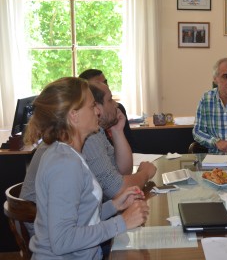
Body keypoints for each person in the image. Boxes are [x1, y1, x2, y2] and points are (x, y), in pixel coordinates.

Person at [23, 77, 149, 259]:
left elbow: (81, 218)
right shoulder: (64, 164)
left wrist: (114, 206)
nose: (98, 111)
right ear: (73, 116)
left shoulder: (67, 153)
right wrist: (122, 222)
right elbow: (63, 240)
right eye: (92, 106)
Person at [78, 69, 138, 152]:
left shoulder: (118, 110)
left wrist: (117, 131)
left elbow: (132, 146)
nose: (104, 86)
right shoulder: (89, 132)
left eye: (105, 82)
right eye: (98, 84)